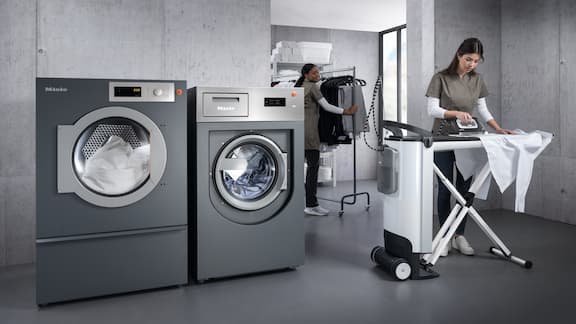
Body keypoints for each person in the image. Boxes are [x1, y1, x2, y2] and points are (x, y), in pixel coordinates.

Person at [425, 38, 514, 256]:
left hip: (467, 140)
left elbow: (483, 109)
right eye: (468, 59)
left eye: (476, 61)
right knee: (446, 188)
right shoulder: (441, 78)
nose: (471, 64)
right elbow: (432, 109)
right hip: (443, 140)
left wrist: (498, 128)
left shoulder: (477, 80)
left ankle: (459, 236)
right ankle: (445, 236)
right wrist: (455, 113)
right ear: (458, 54)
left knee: (465, 190)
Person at [295, 63, 358, 216]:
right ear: (306, 74)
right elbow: (327, 106)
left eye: (318, 72)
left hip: (298, 130)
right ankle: (311, 205)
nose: (318, 75)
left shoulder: (299, 87)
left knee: (297, 170)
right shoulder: (312, 87)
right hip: (310, 132)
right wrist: (346, 111)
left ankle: (302, 203)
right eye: (314, 73)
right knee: (313, 168)